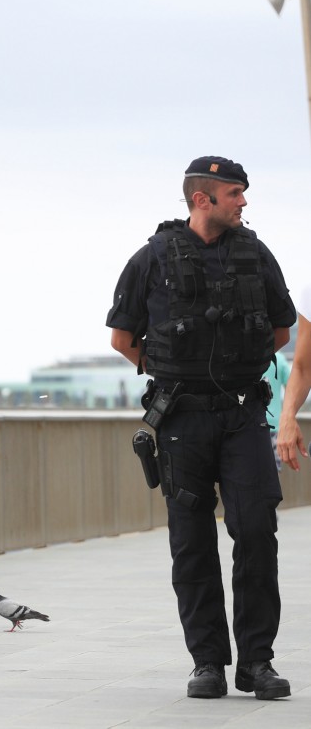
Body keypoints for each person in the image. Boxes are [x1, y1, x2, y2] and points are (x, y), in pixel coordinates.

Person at [106, 156, 294, 700]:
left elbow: (281, 330)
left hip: (241, 416)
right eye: (235, 192)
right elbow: (123, 340)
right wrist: (173, 374)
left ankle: (257, 663)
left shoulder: (256, 255)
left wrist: (234, 372)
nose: (244, 202)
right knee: (191, 542)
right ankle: (207, 662)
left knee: (256, 530)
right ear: (202, 199)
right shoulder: (153, 259)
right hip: (182, 421)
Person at [264, 352, 291, 469]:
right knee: (273, 473)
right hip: (276, 426)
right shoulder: (279, 359)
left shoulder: (251, 358)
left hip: (252, 423)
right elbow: (291, 385)